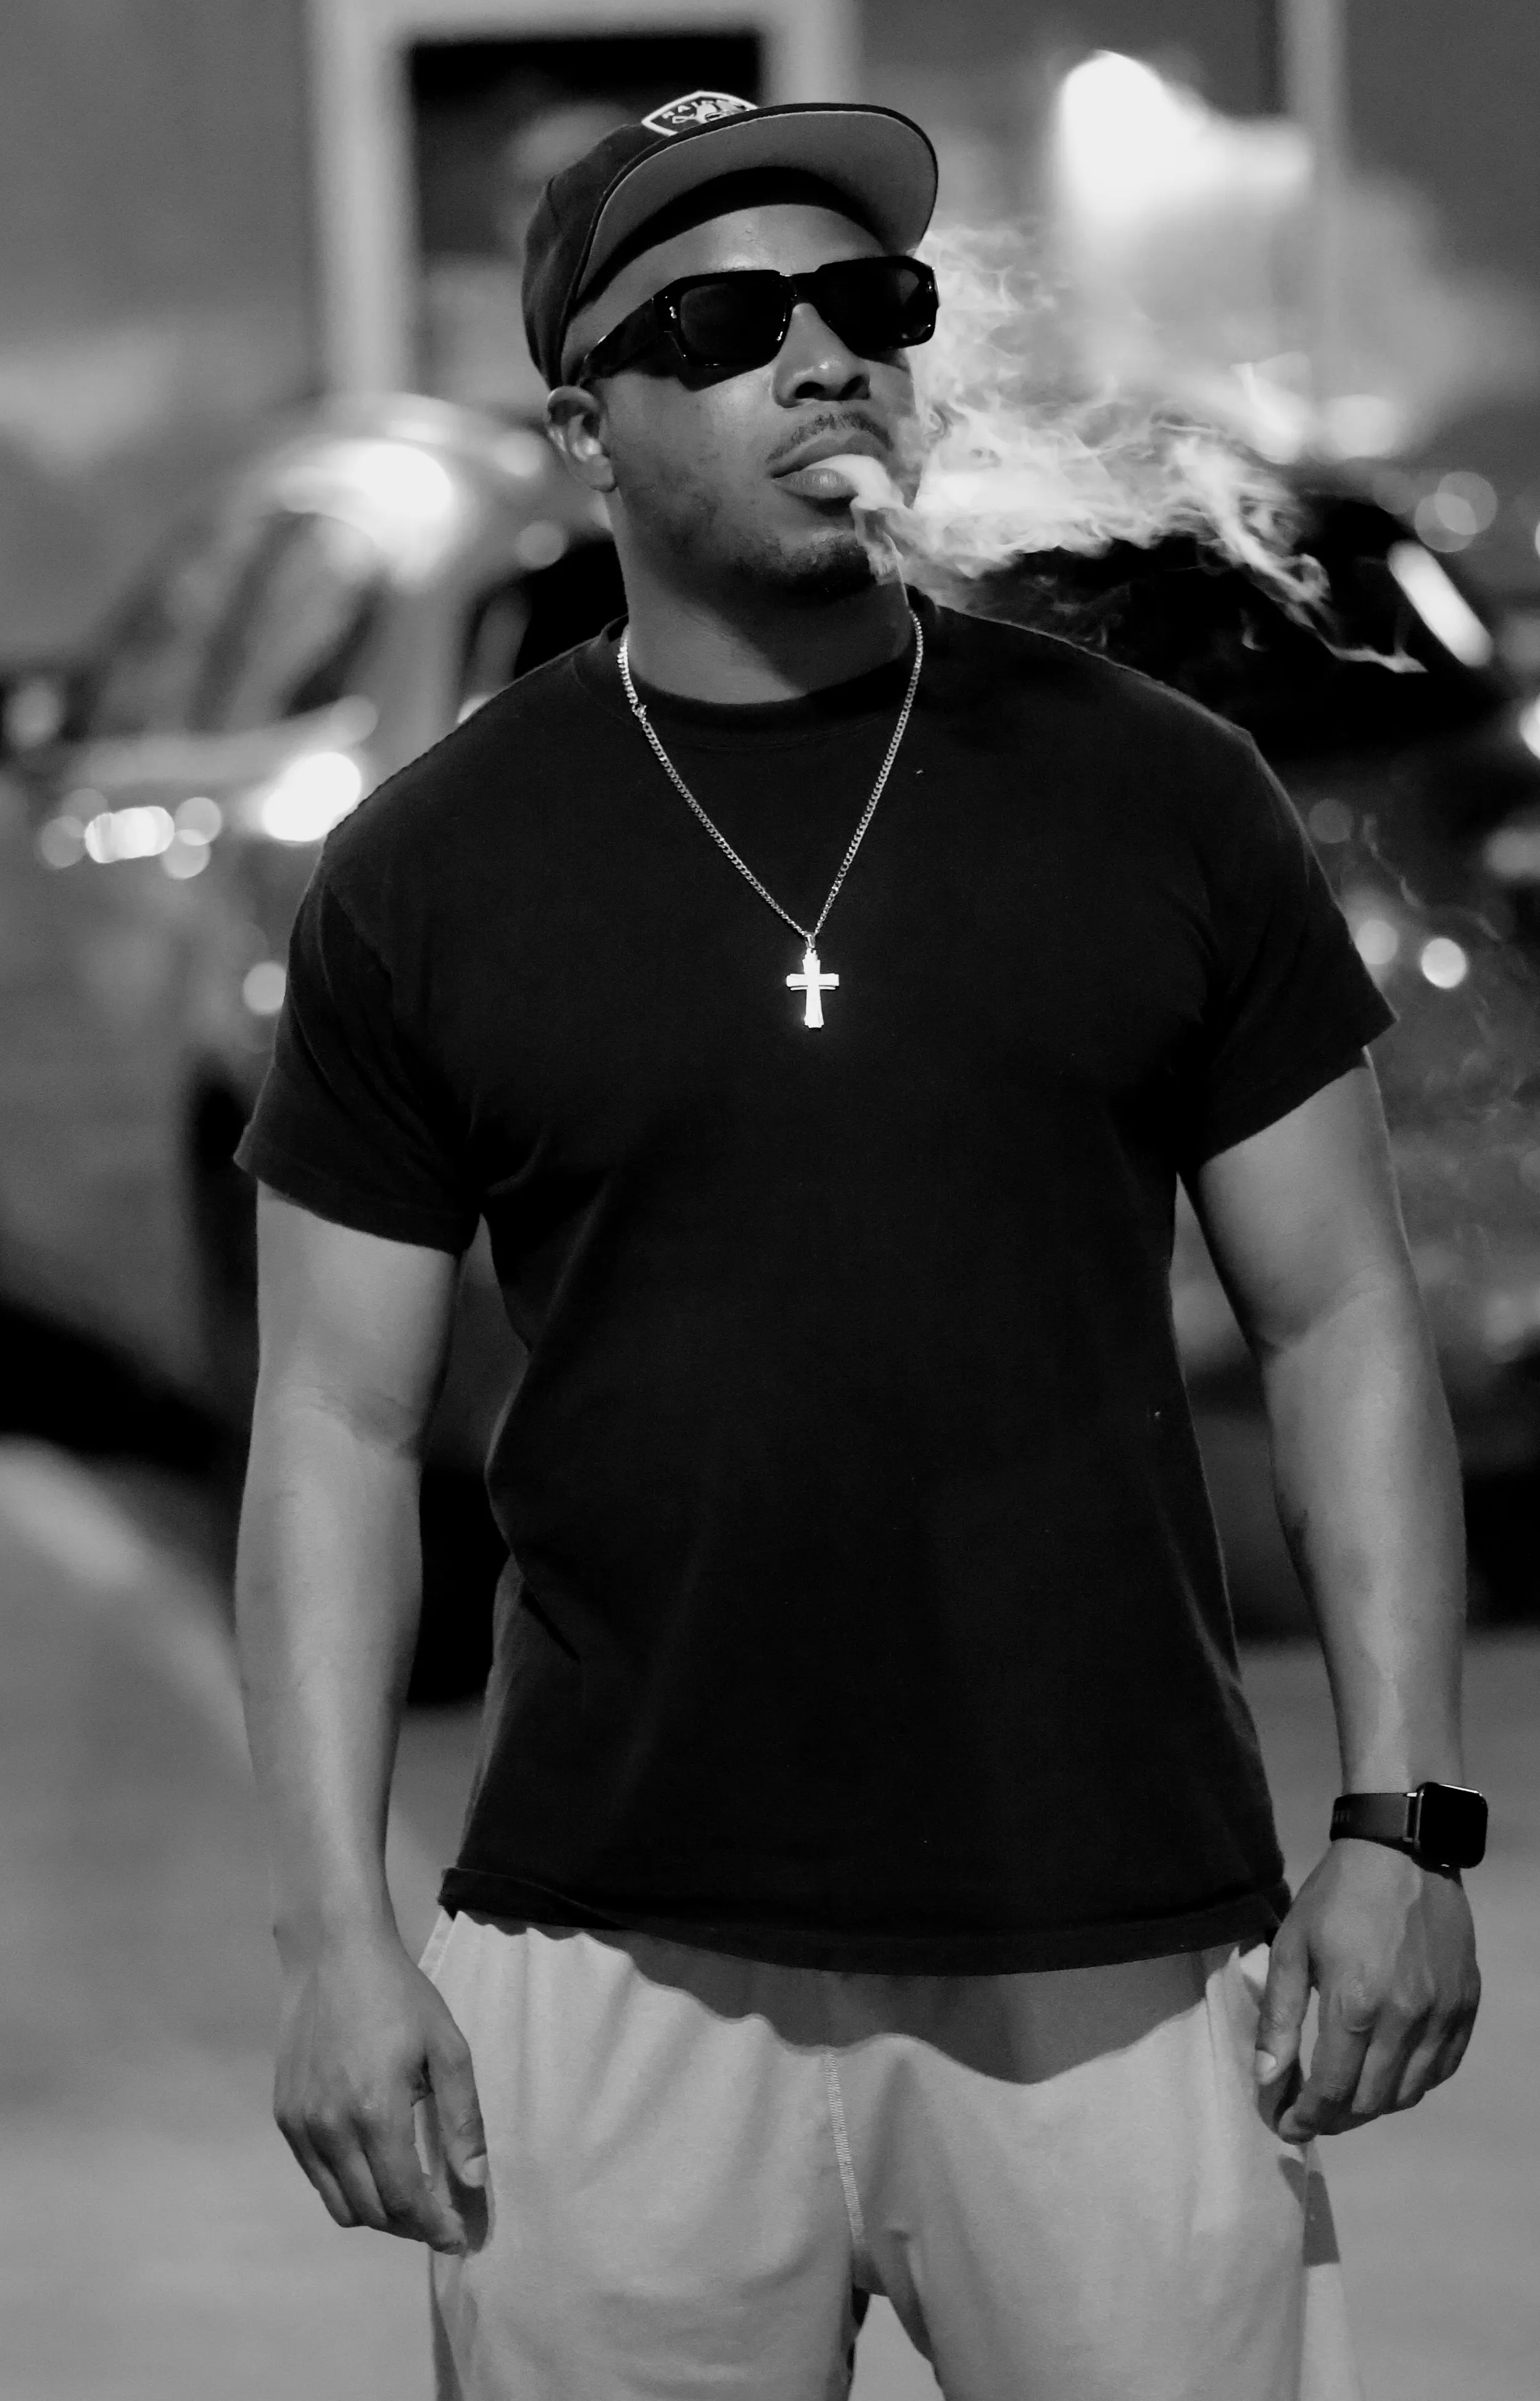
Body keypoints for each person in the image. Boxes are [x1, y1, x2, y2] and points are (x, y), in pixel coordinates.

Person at [233, 93, 1485, 2401]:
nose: (825, 355)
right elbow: (330, 1422)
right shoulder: (431, 870)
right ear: (585, 429)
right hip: (605, 1959)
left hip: (1116, 1945)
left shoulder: (1156, 792)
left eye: (869, 302)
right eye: (723, 327)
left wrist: (1405, 1824)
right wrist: (335, 1940)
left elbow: (1338, 1317)